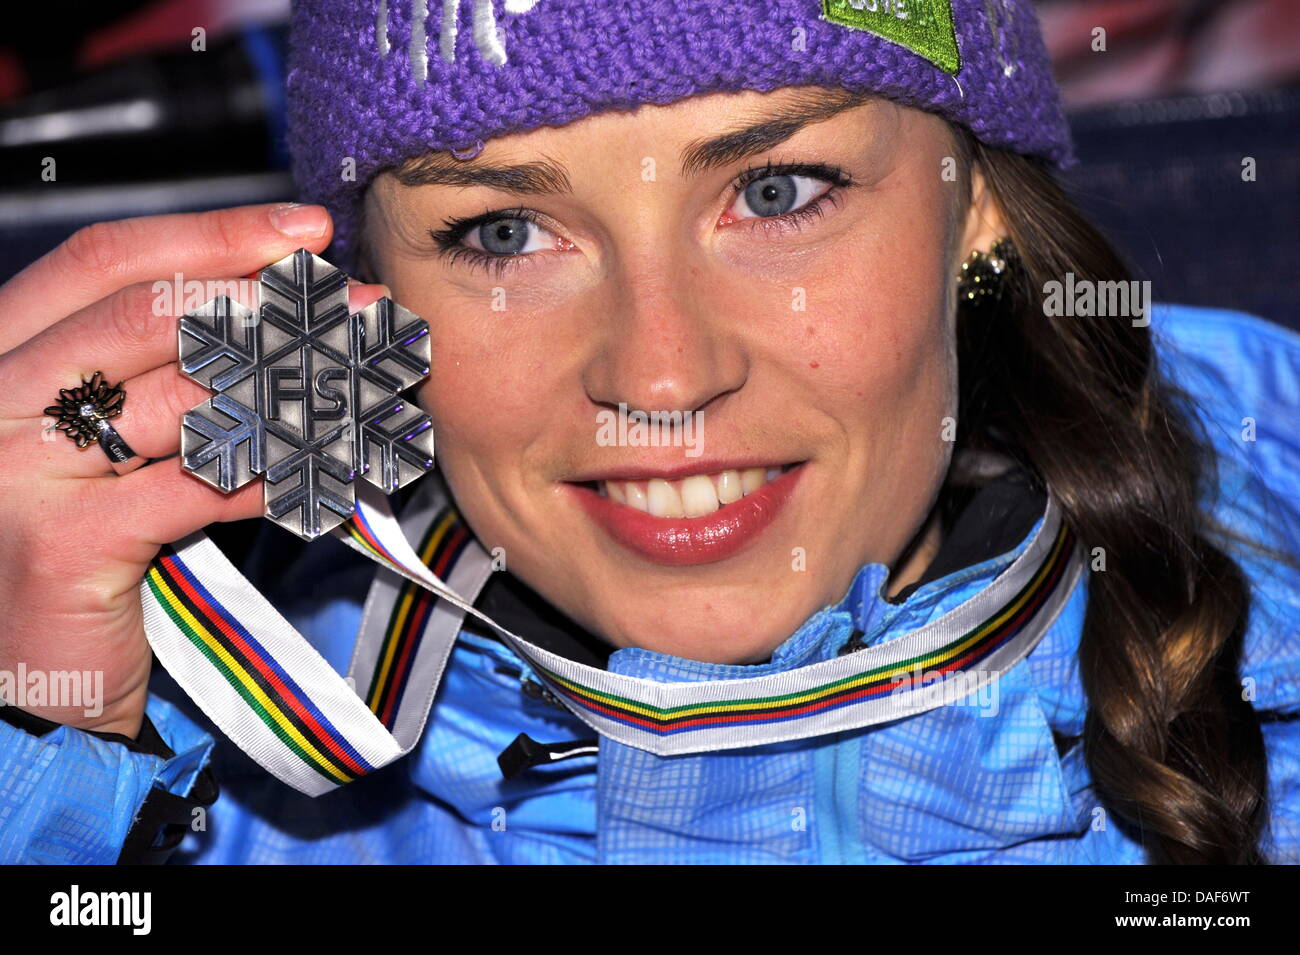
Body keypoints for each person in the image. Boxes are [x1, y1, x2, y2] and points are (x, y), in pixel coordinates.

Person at [1, 0, 1297, 865]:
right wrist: (54, 755)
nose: (662, 379)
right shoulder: (211, 772)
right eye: (503, 234)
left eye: (779, 193)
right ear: (358, 305)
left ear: (978, 212)